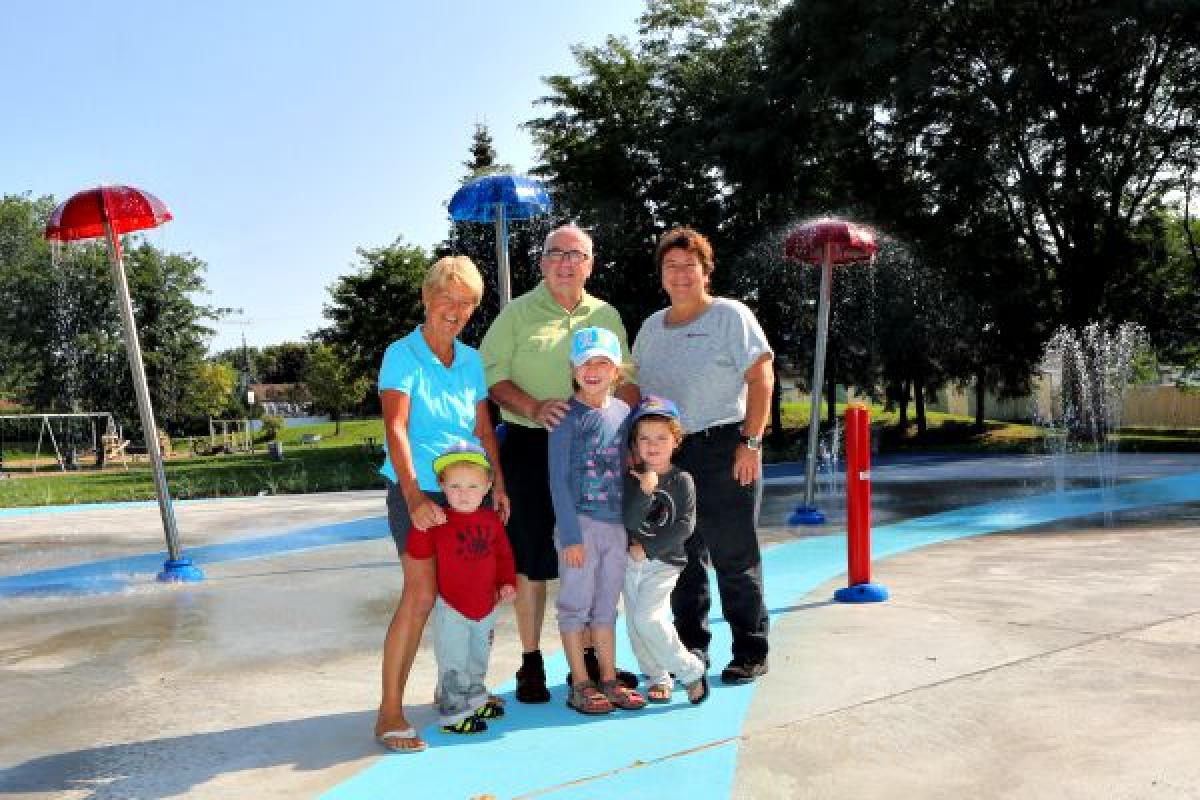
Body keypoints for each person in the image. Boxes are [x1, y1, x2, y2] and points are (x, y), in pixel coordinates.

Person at [480, 224, 640, 703]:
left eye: (577, 254)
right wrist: (531, 407)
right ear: (542, 261)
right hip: (532, 445)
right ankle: (531, 661)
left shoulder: (606, 314)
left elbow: (628, 379)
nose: (567, 262)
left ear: (590, 263)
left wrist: (618, 424)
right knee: (532, 556)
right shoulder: (516, 314)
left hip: (595, 452)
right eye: (557, 253)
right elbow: (493, 376)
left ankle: (589, 660)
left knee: (588, 551)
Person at [374, 255, 508, 754]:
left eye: (466, 302)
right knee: (421, 596)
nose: (455, 310)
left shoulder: (472, 361)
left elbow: (481, 429)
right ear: (428, 299)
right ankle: (388, 710)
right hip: (421, 490)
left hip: (470, 491)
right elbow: (396, 429)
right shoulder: (401, 354)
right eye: (447, 298)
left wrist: (499, 486)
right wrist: (412, 496)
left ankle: (455, 688)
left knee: (467, 597)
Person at [632, 227, 775, 685]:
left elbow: (762, 378)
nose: (679, 274)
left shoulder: (730, 316)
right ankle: (692, 647)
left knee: (734, 553)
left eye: (688, 265)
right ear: (661, 275)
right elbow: (633, 387)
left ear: (705, 270)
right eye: (670, 266)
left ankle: (750, 649)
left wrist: (750, 443)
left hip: (724, 445)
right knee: (683, 557)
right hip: (670, 456)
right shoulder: (651, 328)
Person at [549, 327, 646, 714]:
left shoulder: (624, 414)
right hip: (580, 527)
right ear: (573, 369)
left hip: (614, 527)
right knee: (575, 605)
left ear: (616, 370)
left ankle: (608, 677)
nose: (593, 370)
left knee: (607, 605)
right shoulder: (564, 418)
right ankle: (581, 682)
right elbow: (557, 480)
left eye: (602, 362)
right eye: (586, 362)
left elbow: (630, 467)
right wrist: (571, 536)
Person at [407, 443, 516, 734]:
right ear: (442, 485)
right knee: (453, 661)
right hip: (452, 606)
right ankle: (453, 714)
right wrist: (419, 527)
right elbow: (417, 553)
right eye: (455, 486)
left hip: (486, 605)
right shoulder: (438, 521)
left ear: (487, 486)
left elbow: (504, 555)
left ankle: (476, 698)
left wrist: (506, 582)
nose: (464, 493)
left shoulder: (491, 520)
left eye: (472, 486)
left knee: (479, 656)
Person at [621, 395, 709, 705]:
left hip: (664, 563)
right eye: (644, 438)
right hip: (630, 563)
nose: (652, 445)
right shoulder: (633, 480)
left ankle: (690, 670)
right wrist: (645, 491)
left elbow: (685, 526)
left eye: (661, 438)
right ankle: (657, 677)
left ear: (675, 441)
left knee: (649, 619)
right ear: (635, 444)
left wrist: (650, 549)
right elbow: (629, 520)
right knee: (634, 626)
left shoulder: (682, 480)